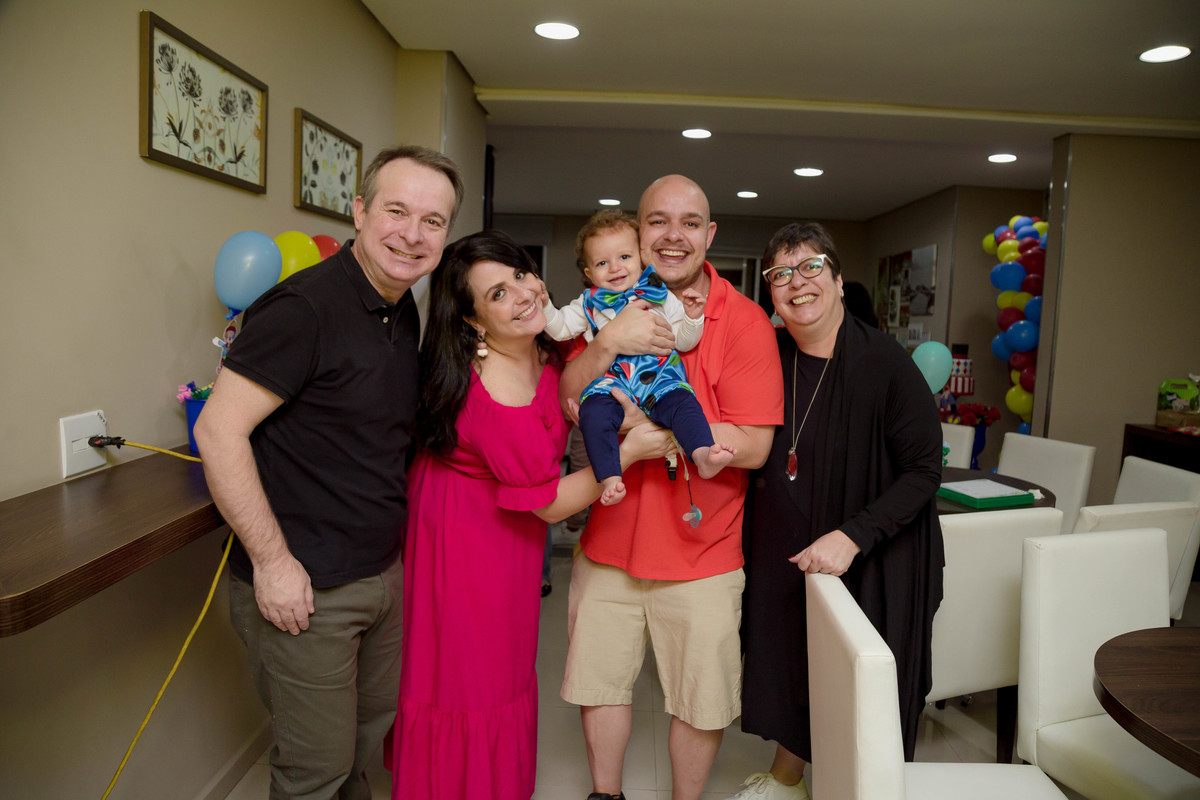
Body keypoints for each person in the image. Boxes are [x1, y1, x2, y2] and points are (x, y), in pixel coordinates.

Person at [194, 145, 464, 799]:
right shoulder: (303, 308)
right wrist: (273, 563)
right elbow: (217, 431)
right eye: (396, 211)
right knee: (314, 770)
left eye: (432, 221)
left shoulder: (401, 302)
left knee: (359, 752)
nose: (412, 234)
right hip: (305, 586)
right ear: (360, 211)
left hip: (380, 574)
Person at [388, 230, 669, 800]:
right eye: (497, 293)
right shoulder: (489, 391)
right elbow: (547, 503)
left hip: (506, 532)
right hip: (464, 535)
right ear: (472, 322)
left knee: (507, 667)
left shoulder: (544, 348)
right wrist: (630, 453)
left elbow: (574, 388)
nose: (522, 293)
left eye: (520, 274)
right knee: (469, 676)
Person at [558, 175, 784, 800]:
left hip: (702, 551)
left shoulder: (743, 321)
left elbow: (755, 444)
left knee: (699, 698)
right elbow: (568, 395)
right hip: (609, 542)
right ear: (639, 233)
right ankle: (605, 794)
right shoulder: (608, 304)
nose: (673, 236)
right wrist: (608, 343)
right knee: (600, 684)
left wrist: (647, 431)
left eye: (689, 223)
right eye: (658, 221)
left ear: (709, 234)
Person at [730, 222, 944, 800]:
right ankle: (787, 779)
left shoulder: (886, 364)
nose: (797, 283)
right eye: (781, 274)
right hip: (786, 549)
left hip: (870, 552)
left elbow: (924, 471)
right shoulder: (769, 356)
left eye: (811, 267)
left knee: (852, 681)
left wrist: (853, 536)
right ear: (770, 294)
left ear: (839, 279)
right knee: (791, 661)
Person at [542, 209, 736, 505]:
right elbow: (559, 329)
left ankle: (702, 454)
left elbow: (684, 342)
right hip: (613, 383)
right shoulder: (588, 302)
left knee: (684, 404)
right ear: (589, 274)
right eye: (602, 263)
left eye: (624, 257)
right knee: (593, 414)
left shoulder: (659, 294)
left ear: (641, 259)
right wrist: (544, 305)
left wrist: (693, 317)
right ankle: (610, 476)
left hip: (659, 380)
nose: (615, 267)